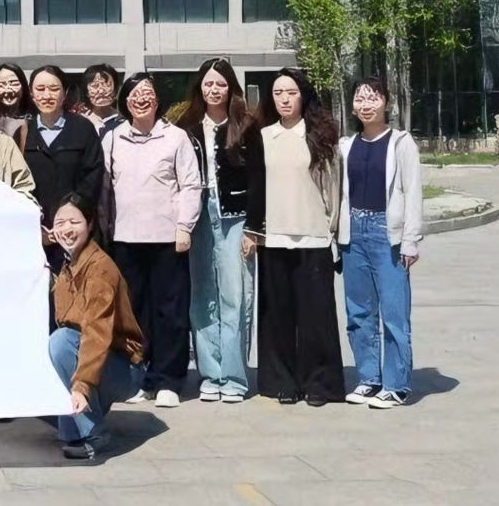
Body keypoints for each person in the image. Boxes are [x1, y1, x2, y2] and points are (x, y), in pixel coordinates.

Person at [100, 74, 203, 409]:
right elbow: (104, 187)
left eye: (147, 93)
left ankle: (169, 379)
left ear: (157, 101)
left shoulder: (176, 137)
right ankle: (140, 378)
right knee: (134, 312)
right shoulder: (113, 138)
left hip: (167, 238)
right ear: (125, 102)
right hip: (125, 239)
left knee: (170, 311)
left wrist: (185, 226)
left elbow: (191, 185)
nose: (140, 99)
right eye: (134, 94)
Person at [250, 67, 346, 407]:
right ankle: (282, 382)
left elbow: (333, 187)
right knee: (278, 316)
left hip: (313, 237)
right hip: (274, 239)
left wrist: (331, 229)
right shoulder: (264, 137)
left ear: (303, 96)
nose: (284, 99)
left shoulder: (321, 136)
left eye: (291, 92)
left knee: (316, 318)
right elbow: (256, 188)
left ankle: (320, 383)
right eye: (278, 93)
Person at [175, 58, 265, 404]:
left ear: (231, 88)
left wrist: (253, 229)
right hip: (198, 215)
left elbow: (258, 178)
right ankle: (210, 373)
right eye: (208, 84)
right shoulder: (185, 126)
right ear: (199, 87)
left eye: (221, 84)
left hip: (235, 217)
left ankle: (235, 376)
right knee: (201, 297)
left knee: (235, 296)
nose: (214, 90)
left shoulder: (246, 125)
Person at [336, 77, 423, 410]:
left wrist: (410, 241)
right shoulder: (347, 145)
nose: (366, 104)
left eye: (373, 98)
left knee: (394, 313)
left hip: (387, 233)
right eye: (360, 98)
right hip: (353, 233)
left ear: (386, 102)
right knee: (358, 312)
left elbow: (412, 192)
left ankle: (396, 385)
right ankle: (368, 379)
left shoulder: (401, 143)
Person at [47, 194, 146, 463]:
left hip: (124, 368)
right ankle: (79, 422)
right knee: (57, 342)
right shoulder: (69, 264)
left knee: (60, 342)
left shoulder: (100, 269)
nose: (67, 229)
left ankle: (94, 433)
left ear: (90, 224)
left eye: (74, 222)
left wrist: (82, 385)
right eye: (60, 223)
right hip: (97, 358)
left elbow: (96, 332)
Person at [20, 65, 107, 257]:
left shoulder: (83, 129)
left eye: (54, 89)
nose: (47, 95)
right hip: (37, 233)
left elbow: (92, 176)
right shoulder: (24, 133)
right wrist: (36, 224)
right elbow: (18, 184)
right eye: (40, 89)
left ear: (65, 93)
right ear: (32, 95)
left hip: (76, 231)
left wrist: (69, 219)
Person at [0, 63, 32, 143]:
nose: (8, 90)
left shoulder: (33, 116)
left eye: (14, 84)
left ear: (23, 85)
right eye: (0, 85)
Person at [81, 63, 124, 135]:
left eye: (107, 85)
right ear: (86, 92)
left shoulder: (124, 120)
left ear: (116, 90)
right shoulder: (80, 122)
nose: (101, 91)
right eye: (95, 86)